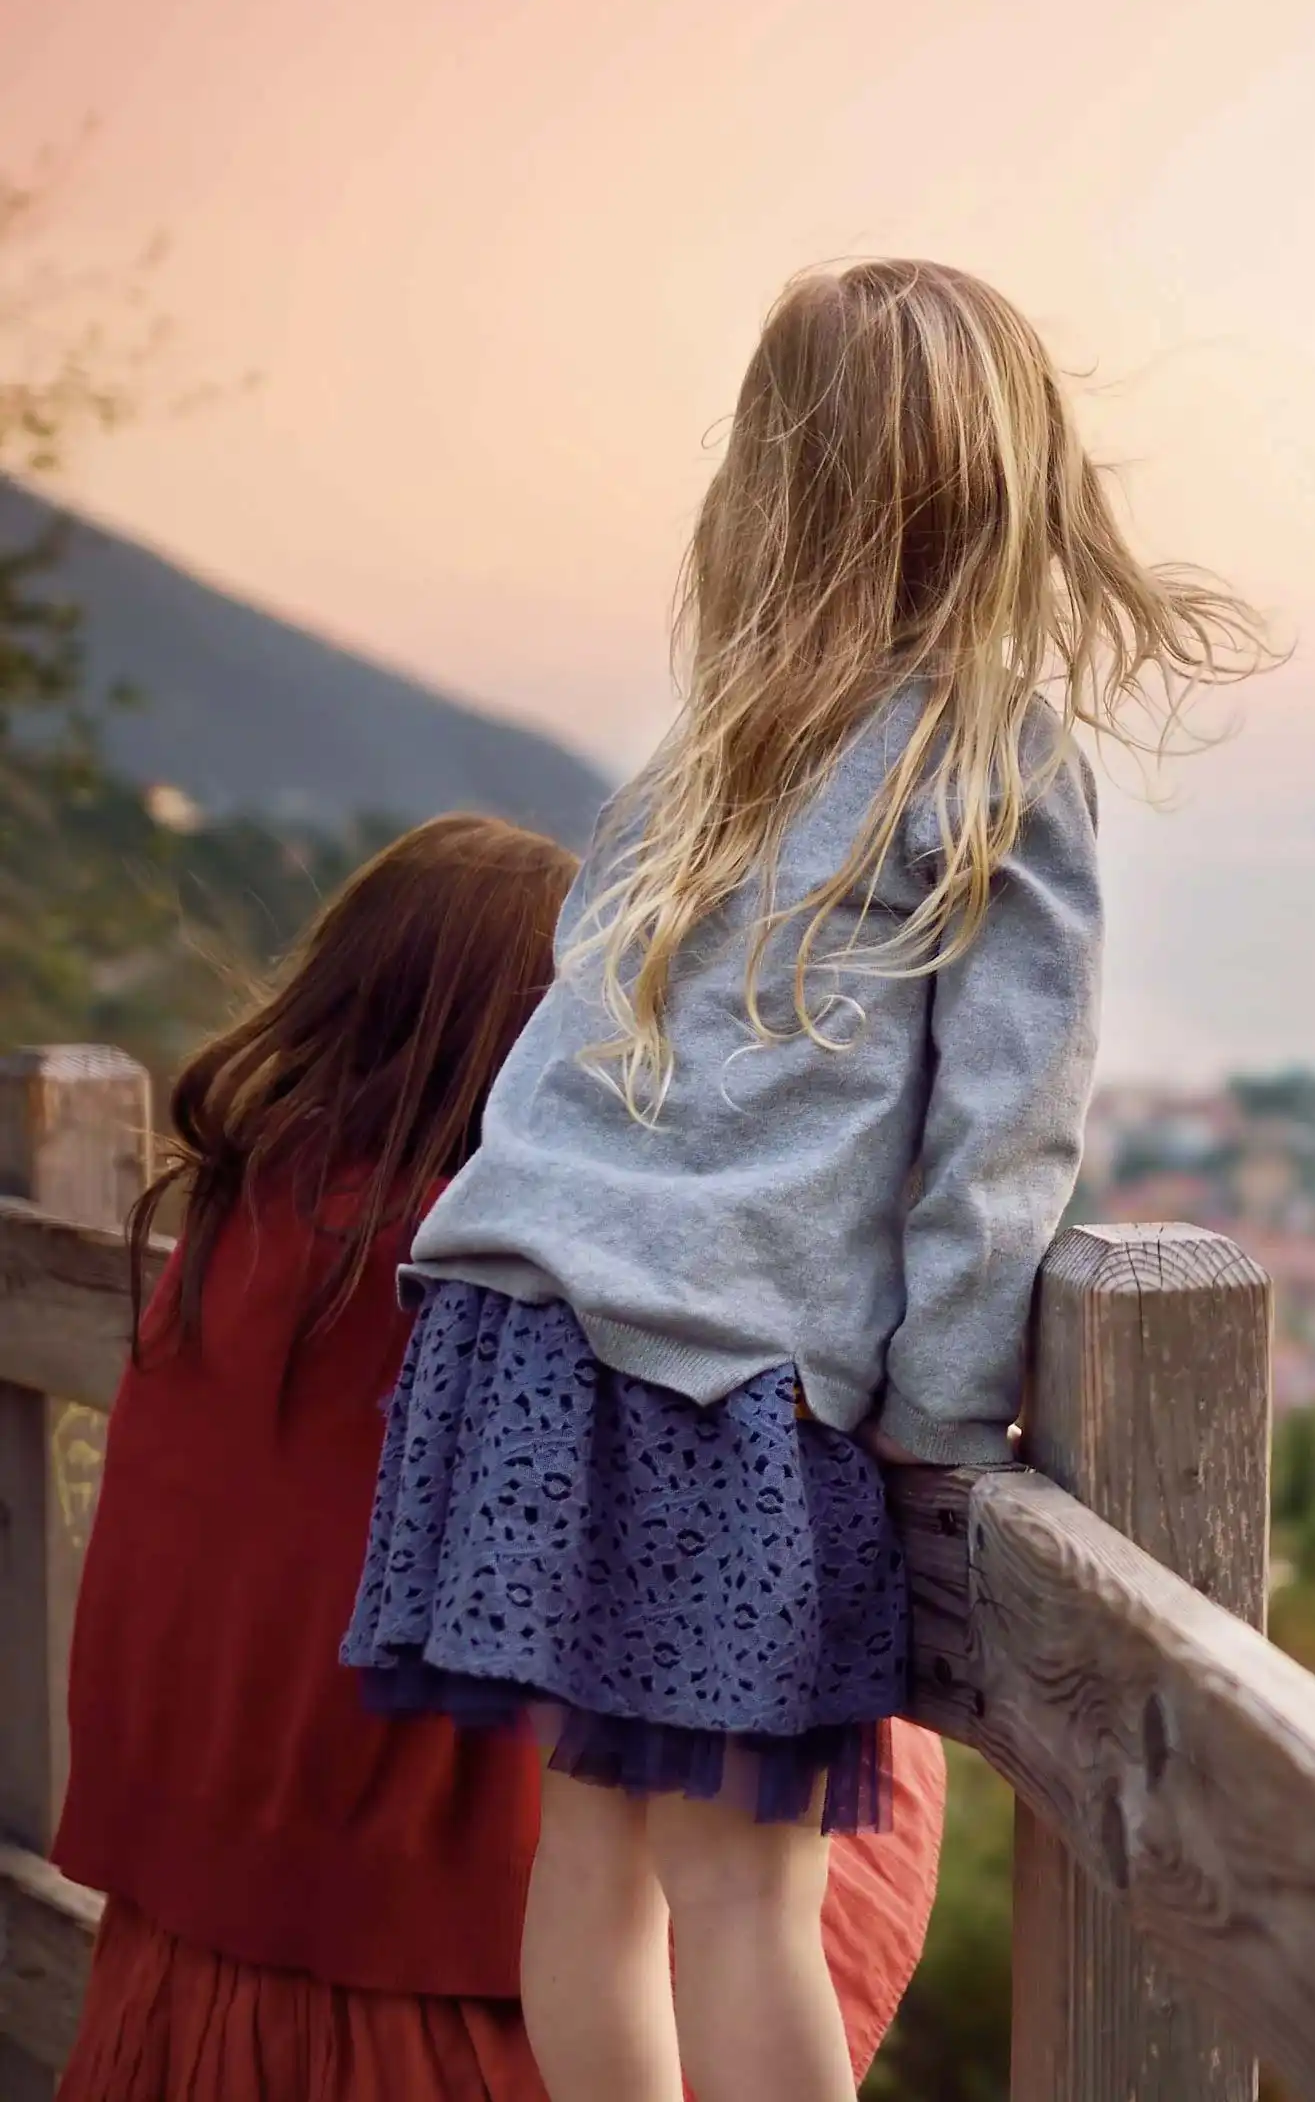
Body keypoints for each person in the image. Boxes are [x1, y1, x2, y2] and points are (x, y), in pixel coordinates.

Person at [340, 260, 1265, 2102]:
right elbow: (1001, 1136)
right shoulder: (997, 758)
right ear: (1013, 486)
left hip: (514, 1336)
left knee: (591, 1856)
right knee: (748, 1891)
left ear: (767, 480)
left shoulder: (701, 755)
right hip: (716, 1380)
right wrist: (940, 1419)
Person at [49, 814, 951, 2101]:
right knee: (825, 1766)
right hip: (441, 1985)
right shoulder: (511, 1294)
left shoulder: (235, 1221)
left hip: (180, 1962)